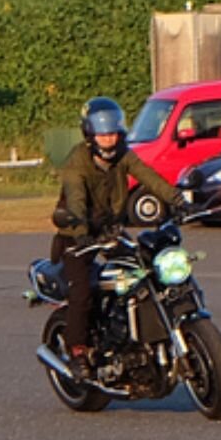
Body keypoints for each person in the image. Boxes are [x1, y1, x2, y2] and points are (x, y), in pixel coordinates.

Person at [52, 97, 180, 378]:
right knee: (82, 292)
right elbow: (75, 199)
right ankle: (77, 350)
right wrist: (82, 234)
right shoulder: (77, 161)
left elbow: (148, 176)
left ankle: (135, 334)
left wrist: (178, 199)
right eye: (102, 134)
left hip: (110, 230)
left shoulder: (124, 154)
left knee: (145, 272)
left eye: (112, 133)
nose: (109, 140)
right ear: (89, 134)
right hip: (76, 234)